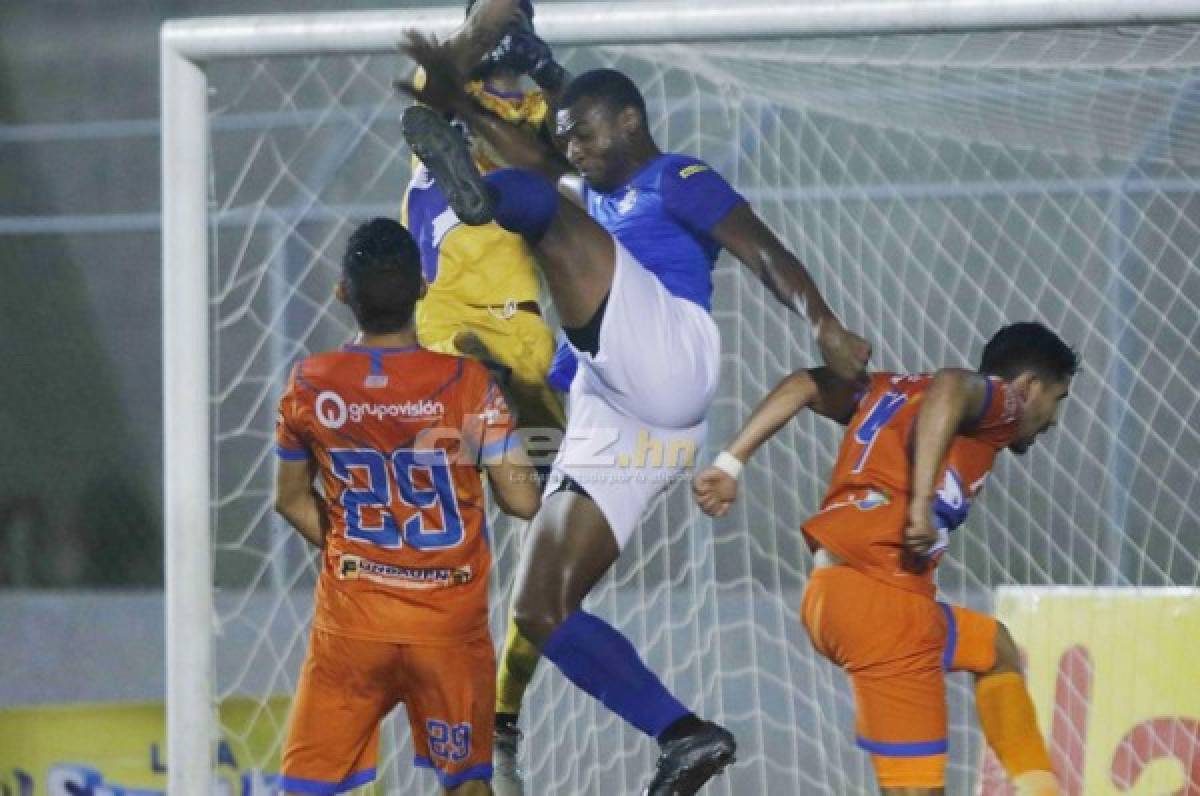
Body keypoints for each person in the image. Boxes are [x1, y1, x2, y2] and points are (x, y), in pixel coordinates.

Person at [398, 23, 872, 793]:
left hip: (669, 354)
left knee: (545, 208)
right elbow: (544, 162)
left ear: (628, 120)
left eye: (583, 133)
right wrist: (461, 103)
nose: (574, 147)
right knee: (540, 608)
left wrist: (822, 322)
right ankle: (684, 736)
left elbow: (763, 250)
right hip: (622, 411)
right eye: (565, 138)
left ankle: (475, 196)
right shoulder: (591, 192)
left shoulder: (674, 177)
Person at [694, 321, 1075, 796]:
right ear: (1029, 386)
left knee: (994, 647)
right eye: (1058, 398)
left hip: (838, 594)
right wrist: (920, 504)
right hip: (883, 603)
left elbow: (804, 384)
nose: (1054, 419)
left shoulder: (888, 391)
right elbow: (951, 384)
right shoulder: (1004, 401)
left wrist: (729, 464)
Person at [273, 218, 542, 795]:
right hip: (448, 627)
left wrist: (363, 551)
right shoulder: (468, 382)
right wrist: (507, 413)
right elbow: (523, 499)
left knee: (307, 788)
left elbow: (290, 500)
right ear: (422, 287)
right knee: (468, 784)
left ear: (342, 292)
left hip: (353, 625)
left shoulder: (310, 384)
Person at [401, 5, 572, 791]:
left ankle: (499, 718)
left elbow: (580, 143)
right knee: (455, 395)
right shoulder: (445, 80)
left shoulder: (540, 107)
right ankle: (486, 384)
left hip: (518, 323)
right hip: (448, 306)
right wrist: (487, 31)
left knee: (553, 517)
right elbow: (429, 85)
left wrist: (546, 67)